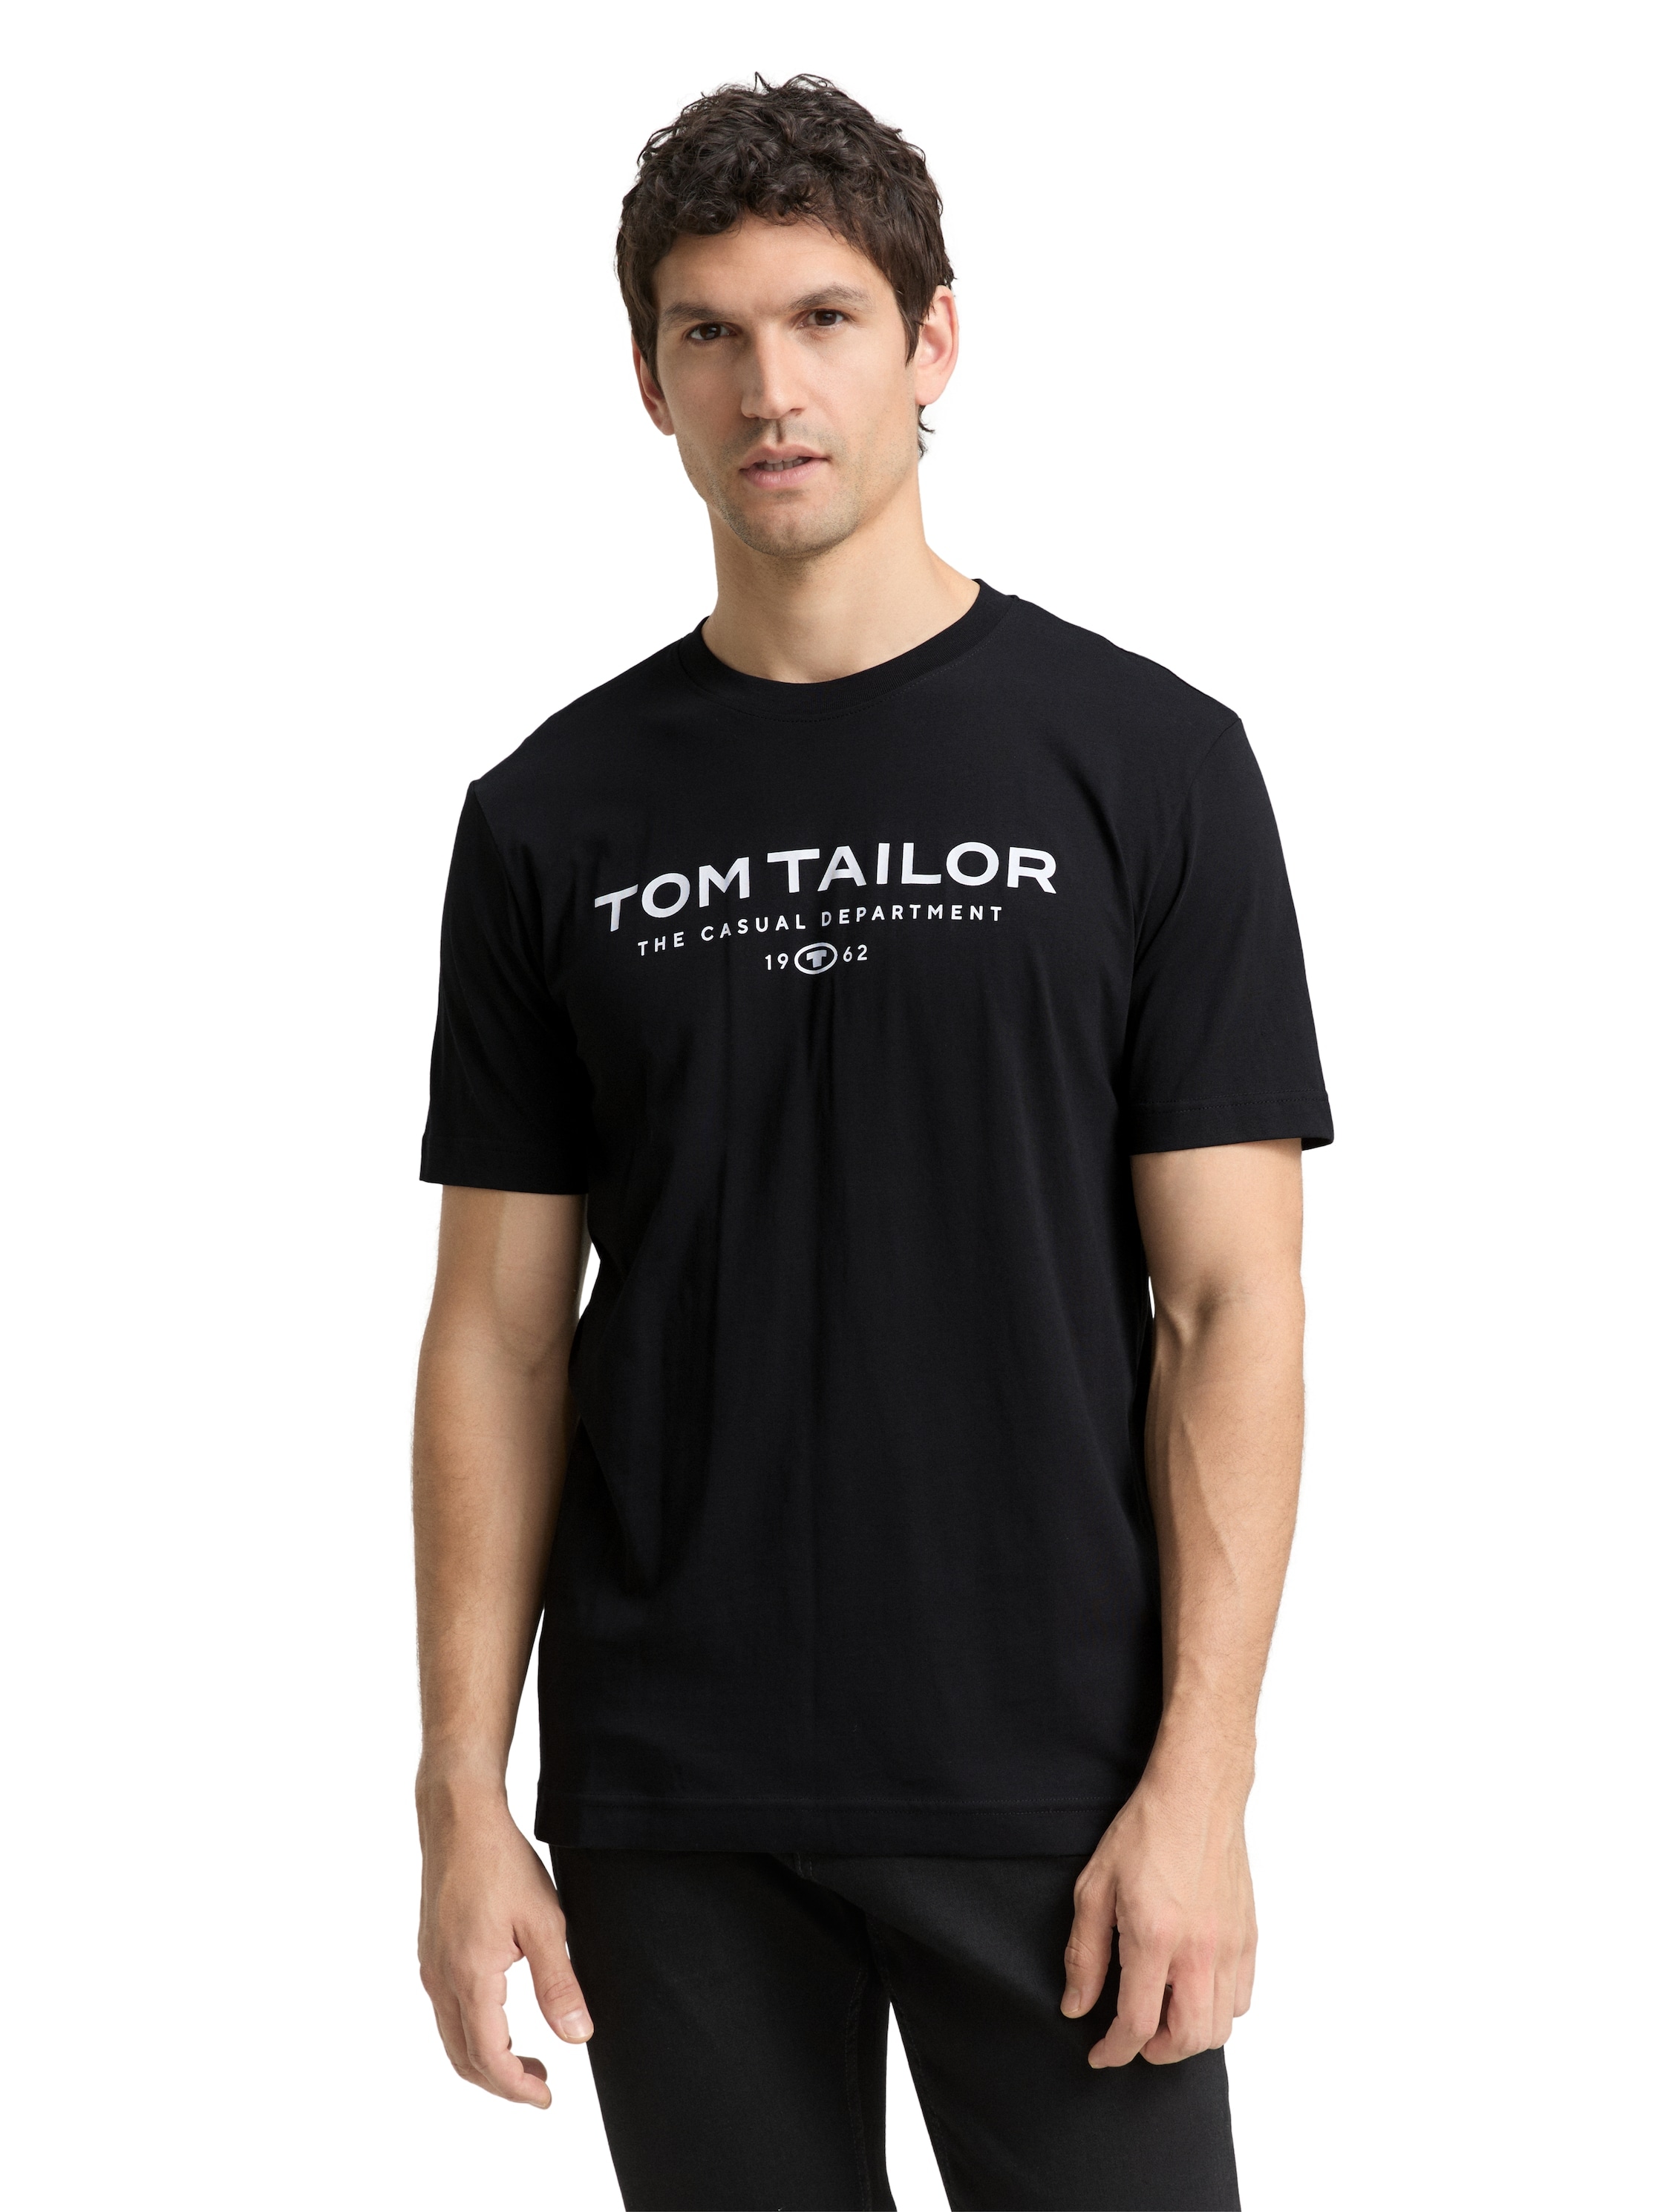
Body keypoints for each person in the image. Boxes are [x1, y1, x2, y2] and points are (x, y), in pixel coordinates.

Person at [413, 73, 1331, 2212]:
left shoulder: (1149, 766)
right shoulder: (547, 816)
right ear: (649, 378)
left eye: (825, 320)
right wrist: (463, 1793)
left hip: (1057, 1783)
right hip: (672, 1793)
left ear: (933, 342)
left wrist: (1202, 1781)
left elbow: (1231, 1302)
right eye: (712, 333)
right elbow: (497, 1335)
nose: (772, 388)